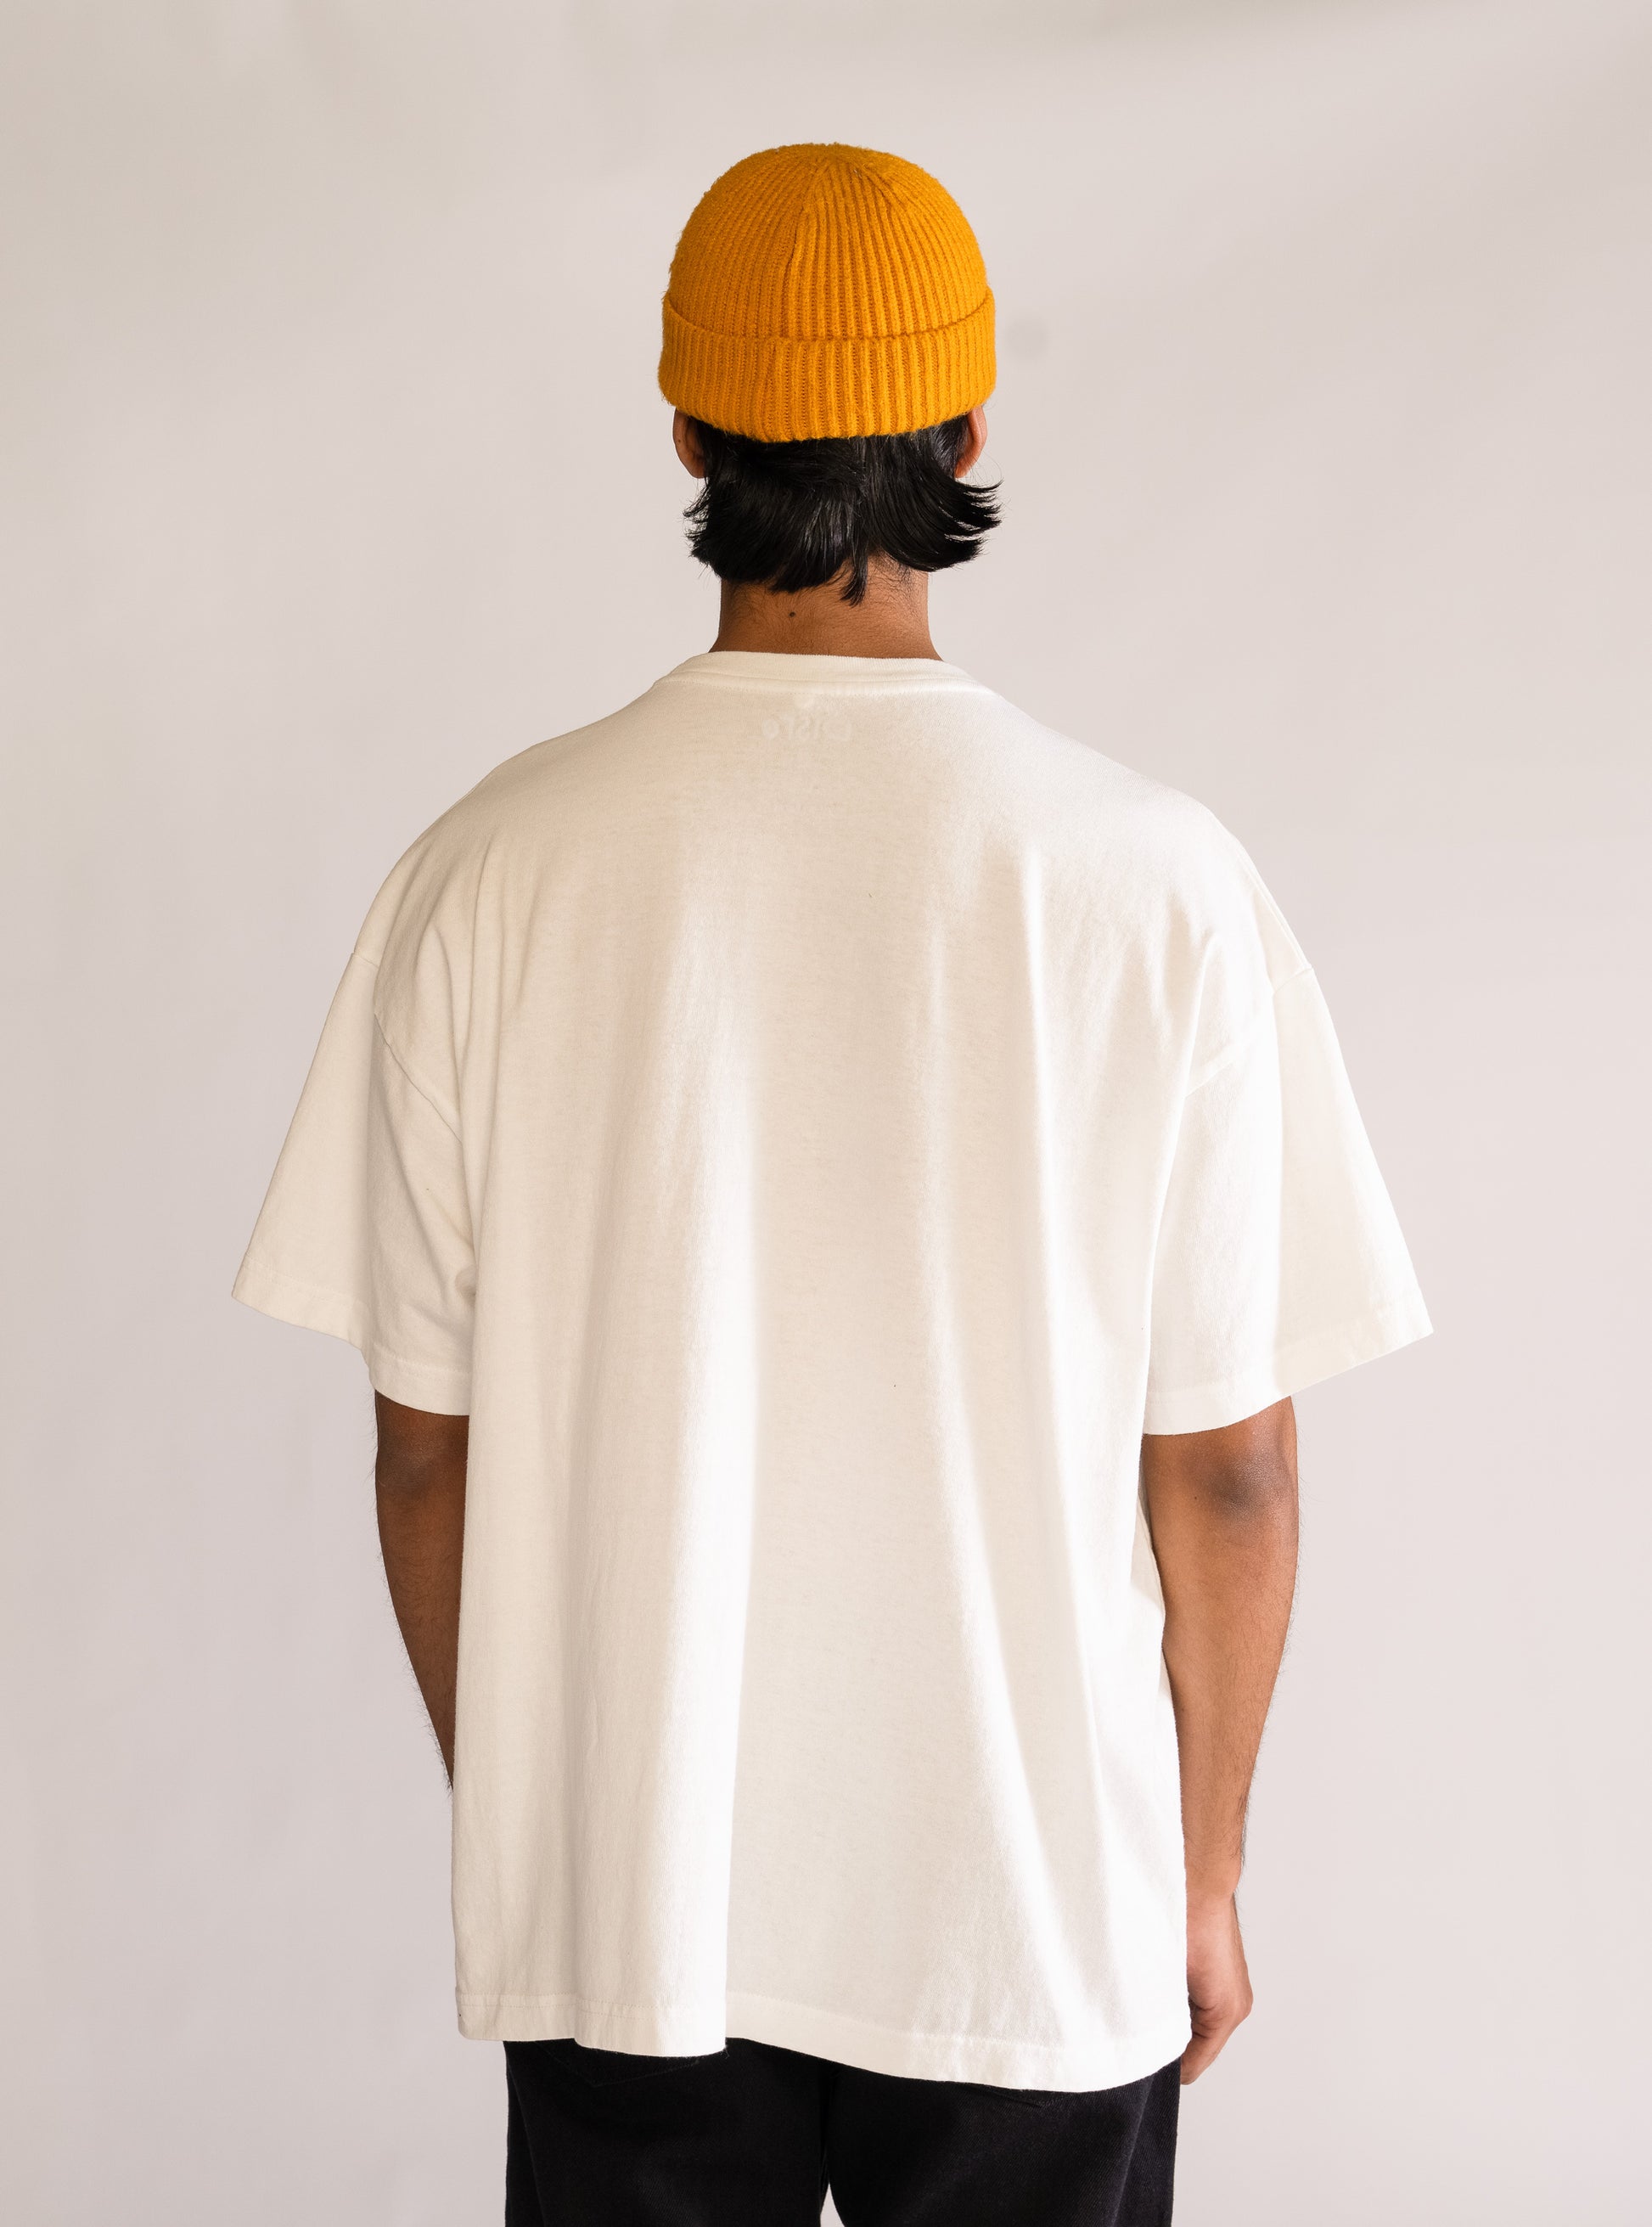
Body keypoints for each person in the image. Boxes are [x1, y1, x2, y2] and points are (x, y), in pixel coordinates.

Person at [233, 143, 1430, 2224]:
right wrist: (1202, 1870)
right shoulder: (1152, 884)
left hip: (634, 1908)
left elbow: (426, 1452)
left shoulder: (488, 870)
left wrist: (559, 1824)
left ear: (688, 431)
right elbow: (1231, 1471)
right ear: (965, 428)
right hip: (1034, 1916)